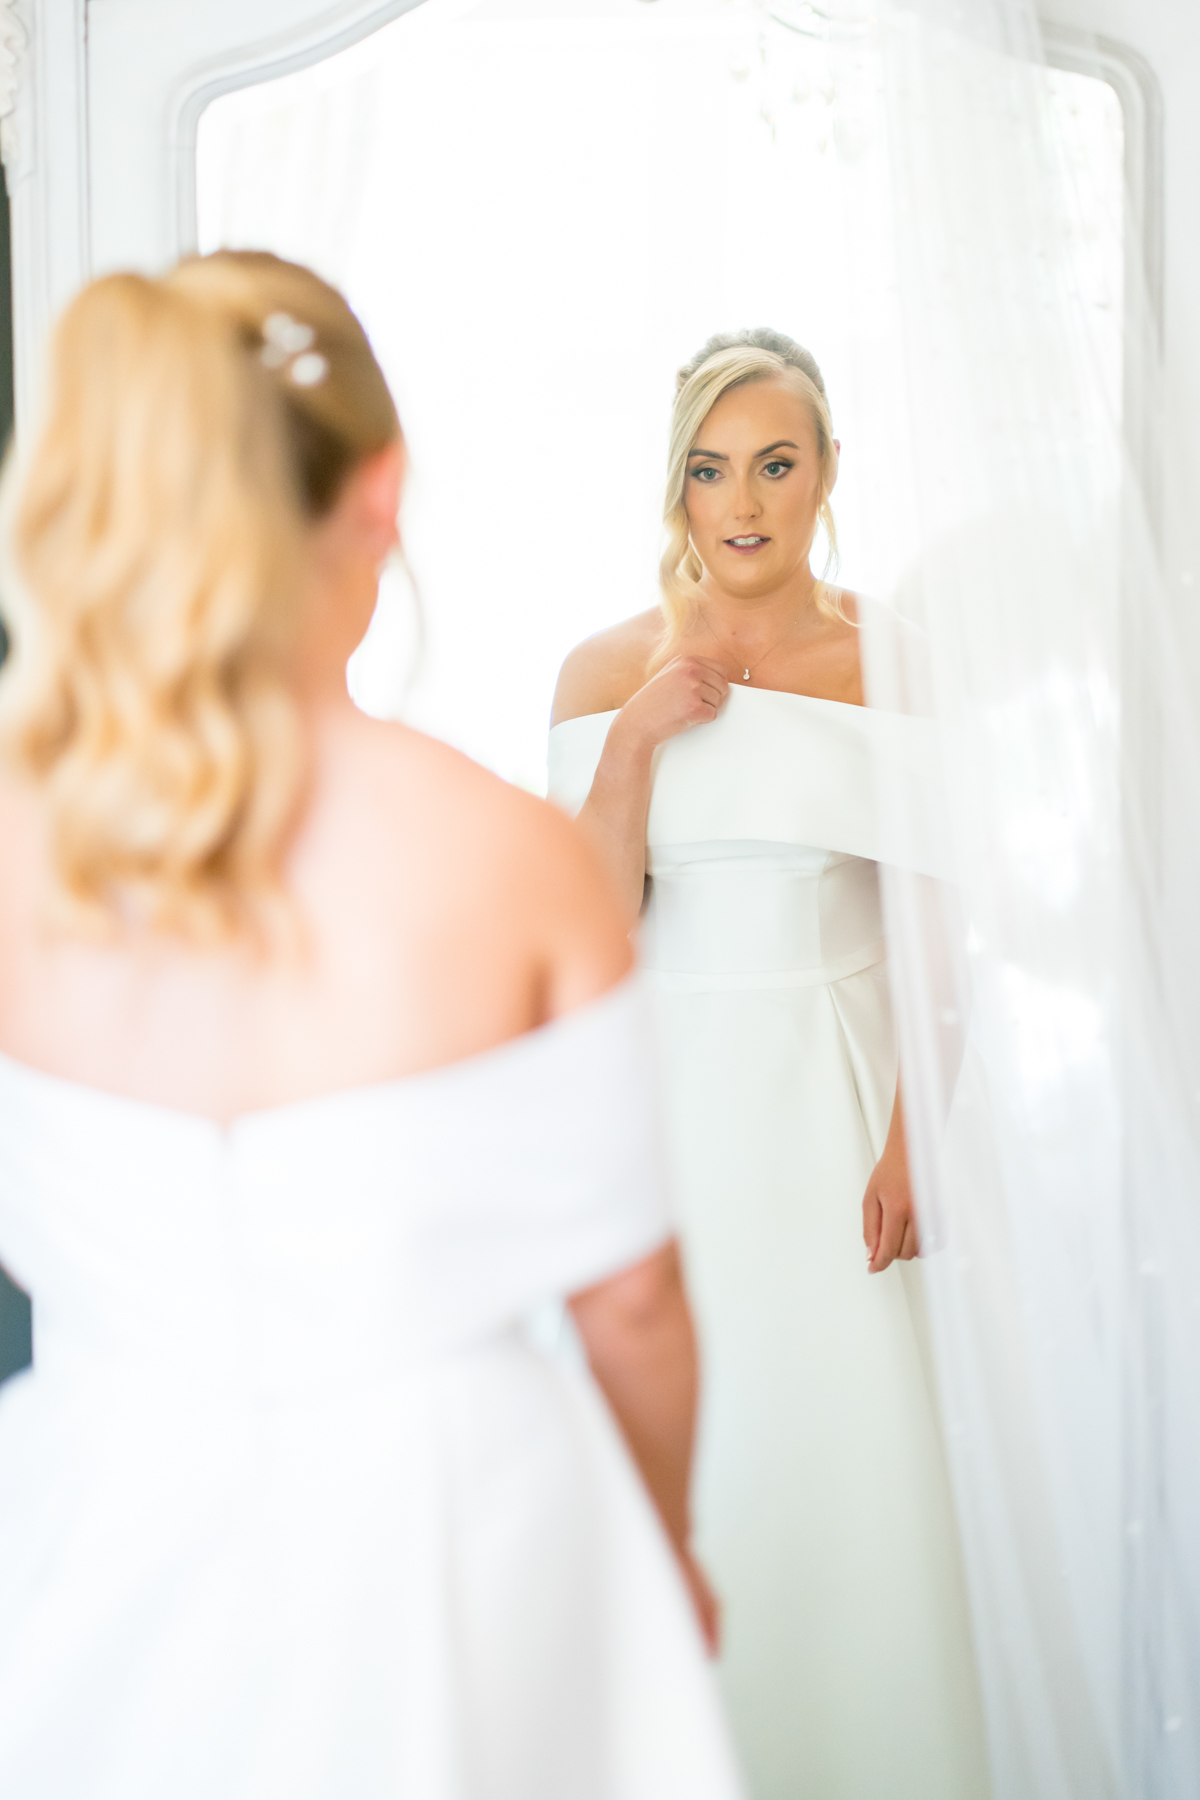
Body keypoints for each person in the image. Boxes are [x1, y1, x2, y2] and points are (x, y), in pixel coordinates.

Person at [0, 254, 743, 1800]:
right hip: (455, 1551)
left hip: (97, 1528)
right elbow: (634, 1305)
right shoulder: (510, 859)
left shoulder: (23, 840)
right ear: (382, 490)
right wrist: (661, 1549)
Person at [549, 330, 991, 1798]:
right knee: (700, 1430)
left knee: (850, 1432)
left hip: (834, 1094)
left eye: (776, 465)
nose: (743, 503)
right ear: (677, 487)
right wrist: (634, 746)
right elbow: (590, 927)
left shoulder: (890, 666)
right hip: (671, 1106)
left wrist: (918, 1132)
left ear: (828, 473)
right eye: (711, 470)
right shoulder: (602, 668)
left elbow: (939, 922)